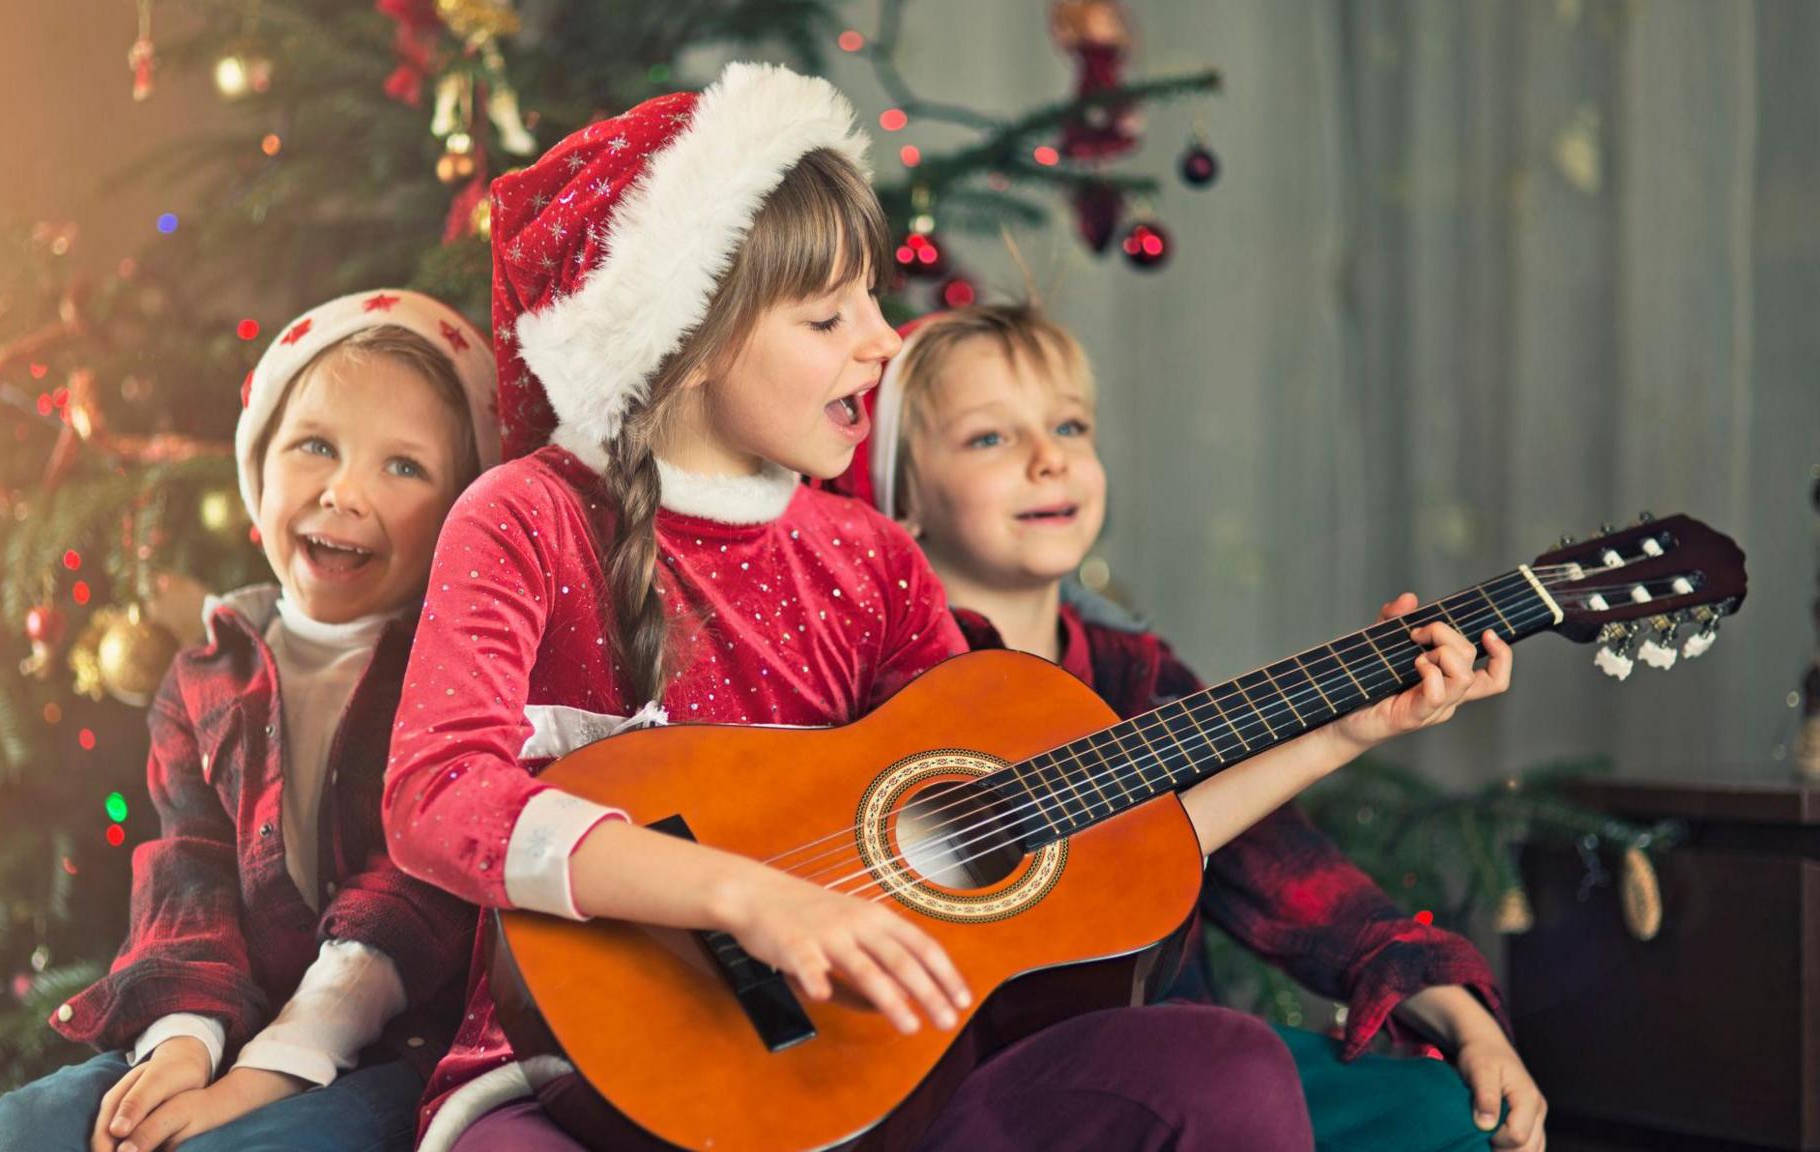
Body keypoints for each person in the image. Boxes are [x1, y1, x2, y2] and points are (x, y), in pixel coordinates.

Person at [384, 62, 1497, 1152]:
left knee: (1223, 1066)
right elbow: (439, 792)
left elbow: (1064, 850)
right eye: (827, 317)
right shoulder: (526, 516)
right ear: (682, 343)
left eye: (871, 297)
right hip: (588, 1084)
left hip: (884, 1088)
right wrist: (746, 899)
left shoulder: (871, 560)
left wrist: (1344, 729)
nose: (879, 338)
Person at [839, 300, 1544, 1152]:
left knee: (1447, 1114)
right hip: (983, 1067)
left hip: (1169, 1026)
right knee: (1224, 1069)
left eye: (1070, 426)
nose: (1048, 459)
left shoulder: (1137, 672)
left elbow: (1285, 869)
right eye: (990, 438)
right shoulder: (890, 673)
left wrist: (1464, 1018)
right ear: (899, 497)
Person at [0, 289, 496, 1152]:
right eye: (316, 447)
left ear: (457, 515)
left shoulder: (453, 670)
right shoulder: (205, 677)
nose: (345, 491)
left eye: (404, 467)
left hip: (394, 1050)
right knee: (24, 1131)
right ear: (259, 476)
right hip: (226, 1017)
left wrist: (265, 1075)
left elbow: (416, 891)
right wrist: (182, 1043)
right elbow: (189, 872)